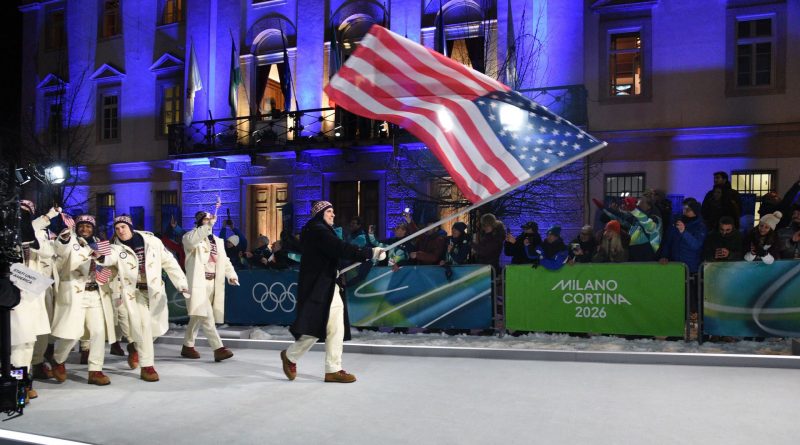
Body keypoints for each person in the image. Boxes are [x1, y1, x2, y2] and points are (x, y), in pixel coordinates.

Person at [280, 201, 383, 383]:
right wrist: (369, 252)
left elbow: (336, 253)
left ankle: (332, 369)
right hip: (319, 287)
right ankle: (291, 356)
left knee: (335, 326)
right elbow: (340, 248)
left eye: (333, 211)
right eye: (329, 211)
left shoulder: (321, 230)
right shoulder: (318, 230)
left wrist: (367, 254)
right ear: (320, 213)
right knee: (317, 325)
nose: (333, 214)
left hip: (328, 285)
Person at [105, 215, 189, 382]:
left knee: (155, 328)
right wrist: (99, 258)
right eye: (117, 228)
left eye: (123, 227)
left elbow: (169, 262)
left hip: (155, 291)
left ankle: (136, 347)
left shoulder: (152, 242)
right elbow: (108, 260)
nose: (120, 231)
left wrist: (181, 283)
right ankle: (147, 366)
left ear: (130, 226)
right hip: (134, 294)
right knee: (143, 326)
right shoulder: (115, 248)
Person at [50, 215, 117, 386]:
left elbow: (110, 266)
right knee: (73, 333)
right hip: (75, 293)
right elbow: (61, 252)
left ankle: (95, 370)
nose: (85, 229)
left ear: (93, 228)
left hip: (96, 293)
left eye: (88, 226)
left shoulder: (101, 243)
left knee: (98, 332)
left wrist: (103, 266)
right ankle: (58, 360)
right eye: (82, 226)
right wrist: (65, 237)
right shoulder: (70, 239)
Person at [181, 206, 240, 362]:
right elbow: (193, 241)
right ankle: (218, 348)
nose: (210, 222)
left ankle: (188, 346)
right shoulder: (189, 237)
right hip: (197, 282)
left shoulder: (219, 241)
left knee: (198, 316)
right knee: (206, 315)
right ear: (200, 222)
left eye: (210, 220)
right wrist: (207, 226)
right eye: (206, 220)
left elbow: (224, 260)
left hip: (213, 282)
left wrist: (231, 275)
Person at [10, 201, 55, 400]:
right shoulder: (7, 235)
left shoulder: (36, 234)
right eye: (19, 213)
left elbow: (47, 251)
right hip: (11, 297)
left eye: (27, 214)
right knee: (16, 344)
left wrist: (32, 236)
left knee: (28, 343)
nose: (22, 217)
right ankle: (14, 384)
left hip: (32, 297)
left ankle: (23, 383)